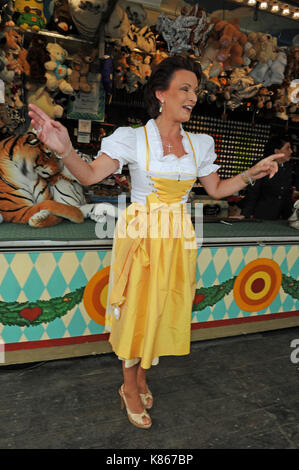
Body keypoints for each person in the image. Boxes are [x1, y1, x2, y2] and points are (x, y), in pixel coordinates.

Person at [28, 55, 282, 430]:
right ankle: (129, 386)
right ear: (160, 93)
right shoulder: (132, 138)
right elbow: (90, 176)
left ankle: (142, 374)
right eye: (185, 88)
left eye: (195, 90)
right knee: (136, 310)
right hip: (142, 238)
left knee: (161, 307)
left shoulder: (200, 144)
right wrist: (64, 149)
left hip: (177, 238)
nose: (193, 96)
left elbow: (216, 189)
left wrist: (251, 173)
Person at [237, 136, 293, 220]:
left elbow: (287, 195)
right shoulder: (261, 166)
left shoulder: (287, 168)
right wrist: (245, 214)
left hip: (279, 218)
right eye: (287, 148)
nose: (291, 151)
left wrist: (290, 217)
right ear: (277, 151)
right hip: (259, 216)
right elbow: (253, 193)